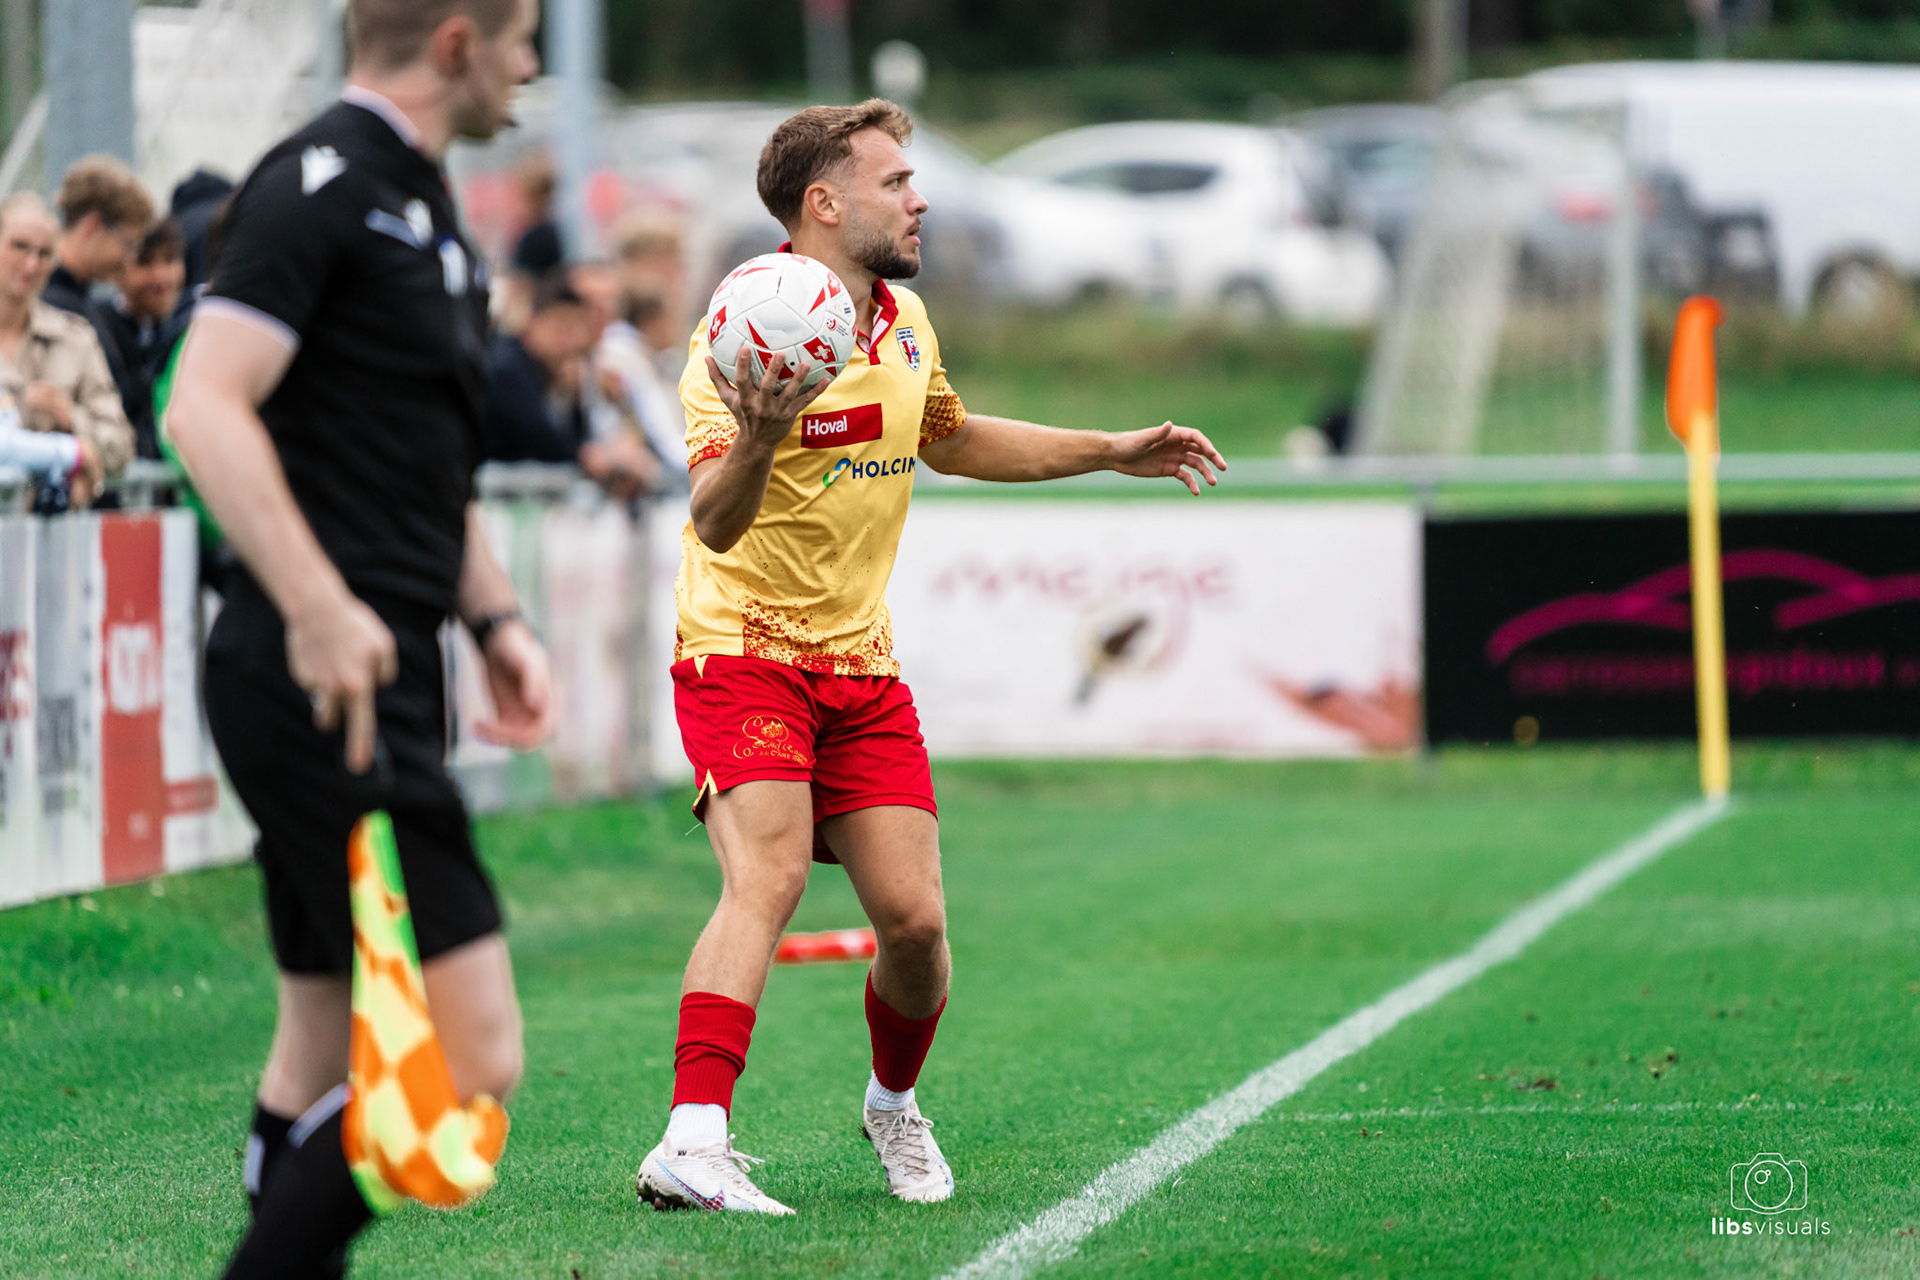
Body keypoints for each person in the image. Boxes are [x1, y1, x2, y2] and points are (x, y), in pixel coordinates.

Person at [634, 100, 1226, 1215]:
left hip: (860, 665)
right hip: (743, 647)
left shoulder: (903, 319)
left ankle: (892, 1105)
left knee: (915, 928)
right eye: (897, 180)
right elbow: (713, 522)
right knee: (763, 873)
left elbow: (945, 434)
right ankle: (693, 1139)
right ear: (826, 202)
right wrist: (763, 431)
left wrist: (1111, 449)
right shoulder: (749, 325)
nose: (920, 197)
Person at [162, 1, 546, 1273]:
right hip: (322, 676)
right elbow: (204, 409)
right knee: (470, 1059)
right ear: (454, 43)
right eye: (521, 37)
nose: (532, 64)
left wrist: (490, 616)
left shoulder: (430, 206)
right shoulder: (315, 183)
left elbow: (428, 466)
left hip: (385, 669)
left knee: (319, 1042)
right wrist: (322, 607)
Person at [0, 192, 130, 505]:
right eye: (19, 246)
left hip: (51, 541)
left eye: (44, 253)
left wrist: (71, 418)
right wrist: (71, 452)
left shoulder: (76, 338)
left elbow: (121, 446)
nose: (31, 264)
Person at [484, 268, 656, 497]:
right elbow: (543, 438)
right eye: (562, 327)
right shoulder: (506, 366)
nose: (569, 341)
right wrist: (590, 457)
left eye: (577, 329)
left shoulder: (561, 373)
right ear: (534, 321)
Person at [93, 218, 187, 458]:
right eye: (145, 262)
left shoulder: (186, 330)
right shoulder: (98, 329)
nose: (161, 276)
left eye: (170, 260)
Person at [41, 154, 155, 317]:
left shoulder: (65, 299)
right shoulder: (55, 308)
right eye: (128, 244)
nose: (129, 259)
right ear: (93, 226)